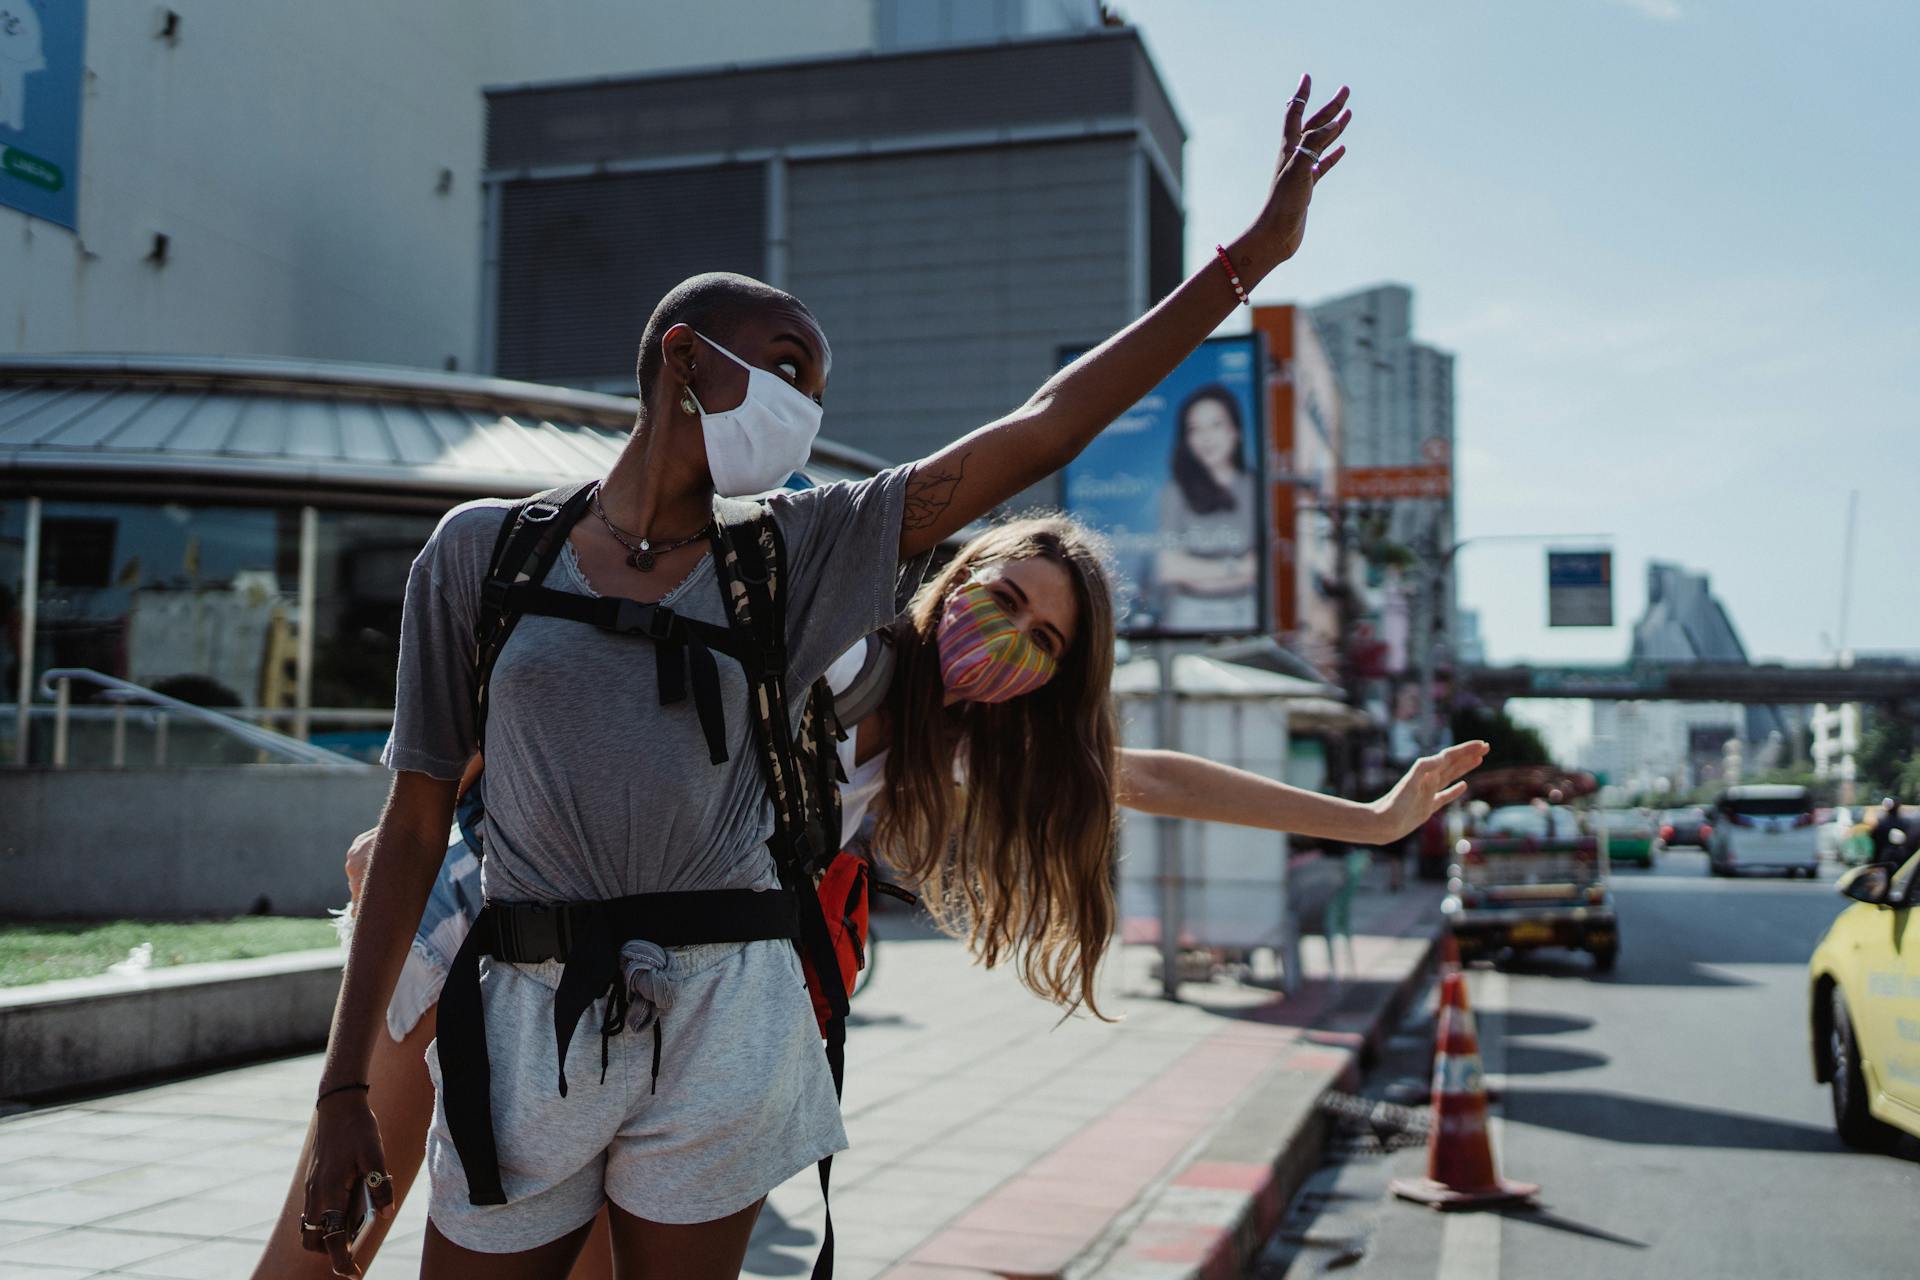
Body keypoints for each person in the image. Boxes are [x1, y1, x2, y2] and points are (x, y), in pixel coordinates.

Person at [300, 78, 1356, 1280]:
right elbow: (425, 794)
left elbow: (1050, 424)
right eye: (789, 366)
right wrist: (342, 1071)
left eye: (822, 387)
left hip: (718, 1009)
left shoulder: (794, 561)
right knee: (322, 1250)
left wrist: (1246, 265)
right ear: (682, 358)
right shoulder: (487, 550)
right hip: (505, 973)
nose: (808, 407)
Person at [260, 516, 1487, 1280]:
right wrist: (423, 818)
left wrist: (1374, 818)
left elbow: (1148, 773)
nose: (1005, 636)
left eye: (1043, 642)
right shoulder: (830, 636)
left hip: (633, 1018)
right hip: (488, 926)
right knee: (331, 1233)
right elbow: (594, 669)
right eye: (1001, 596)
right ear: (960, 570)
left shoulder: (945, 756)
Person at [1153, 383, 1258, 631]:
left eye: (1216, 425)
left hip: (1245, 613)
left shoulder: (1254, 487)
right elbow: (1168, 568)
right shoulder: (1175, 491)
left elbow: (1259, 567)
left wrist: (1198, 570)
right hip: (1187, 614)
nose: (1206, 438)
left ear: (1236, 431)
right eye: (1195, 429)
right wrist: (1235, 567)